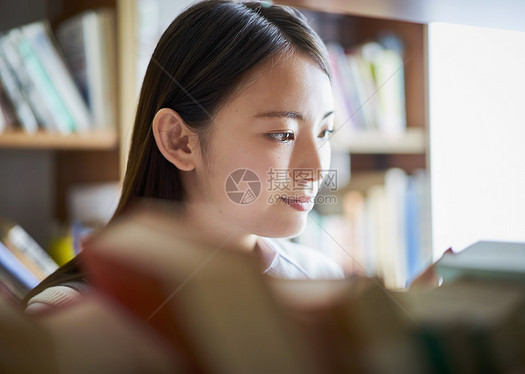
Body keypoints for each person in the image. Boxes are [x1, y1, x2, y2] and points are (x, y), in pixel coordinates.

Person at [24, 0, 345, 312]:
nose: (317, 171)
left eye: (324, 133)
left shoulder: (321, 283)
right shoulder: (70, 315)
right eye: (282, 134)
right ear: (178, 140)